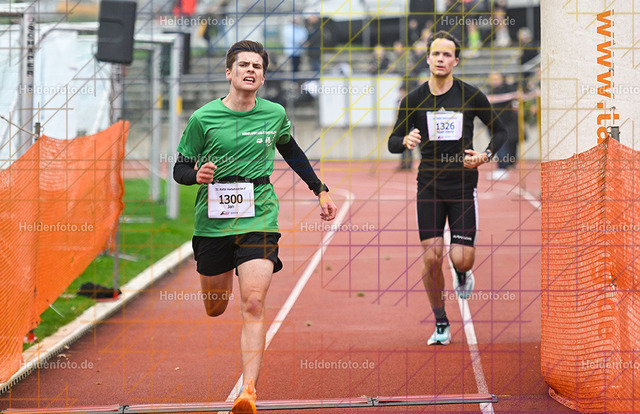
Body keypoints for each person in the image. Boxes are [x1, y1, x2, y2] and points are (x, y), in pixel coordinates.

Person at [173, 40, 337, 414]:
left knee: (253, 302)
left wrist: (320, 189)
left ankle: (248, 392)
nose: (251, 70)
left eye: (257, 66)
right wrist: (196, 176)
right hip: (213, 221)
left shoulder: (274, 114)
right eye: (244, 65)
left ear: (263, 76)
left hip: (259, 214)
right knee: (215, 307)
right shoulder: (203, 118)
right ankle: (221, 280)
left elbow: (292, 152)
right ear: (229, 72)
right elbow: (179, 168)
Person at [387, 31, 506, 346]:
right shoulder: (413, 100)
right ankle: (441, 321)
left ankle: (463, 273)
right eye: (436, 54)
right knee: (431, 257)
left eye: (447, 55)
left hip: (463, 185)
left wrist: (485, 155)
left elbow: (500, 131)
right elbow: (392, 142)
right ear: (427, 59)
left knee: (462, 259)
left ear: (456, 61)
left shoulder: (471, 95)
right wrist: (405, 140)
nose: (441, 59)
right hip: (429, 185)